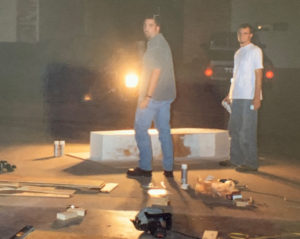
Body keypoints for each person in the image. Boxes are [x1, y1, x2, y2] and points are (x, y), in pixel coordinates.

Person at [127, 14, 176, 178]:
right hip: (166, 95)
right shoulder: (161, 43)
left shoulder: (156, 45)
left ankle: (145, 167)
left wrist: (147, 96)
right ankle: (168, 169)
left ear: (157, 27)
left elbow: (156, 71)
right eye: (144, 25)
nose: (146, 28)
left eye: (150, 25)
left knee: (141, 129)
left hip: (153, 96)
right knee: (164, 131)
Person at [220, 23, 263, 172]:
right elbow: (236, 76)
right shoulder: (238, 53)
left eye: (245, 33)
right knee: (234, 129)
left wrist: (257, 96)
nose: (242, 35)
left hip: (249, 96)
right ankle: (235, 159)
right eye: (240, 33)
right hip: (237, 96)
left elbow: (258, 74)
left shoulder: (255, 51)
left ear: (250, 35)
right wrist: (229, 94)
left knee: (247, 130)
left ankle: (251, 163)